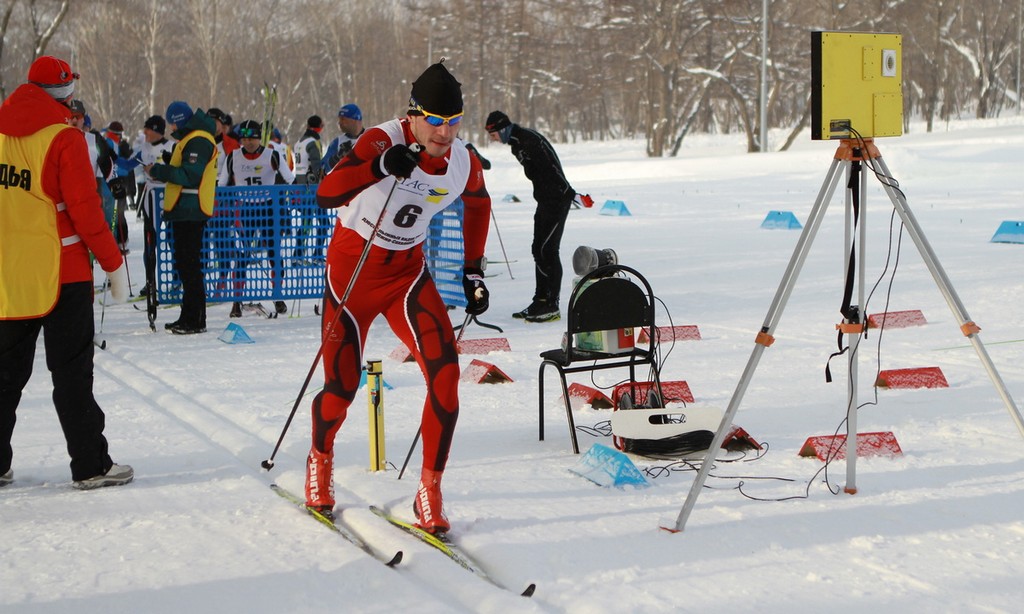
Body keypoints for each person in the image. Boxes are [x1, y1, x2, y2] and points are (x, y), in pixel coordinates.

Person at [309, 60, 491, 534]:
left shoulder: (463, 161)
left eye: (454, 122)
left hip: (406, 276)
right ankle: (320, 458)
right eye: (435, 121)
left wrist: (474, 269)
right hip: (351, 277)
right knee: (342, 388)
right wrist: (379, 166)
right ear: (413, 116)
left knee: (447, 374)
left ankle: (429, 489)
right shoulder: (380, 139)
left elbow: (479, 203)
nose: (445, 133)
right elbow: (326, 194)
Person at [0, 55, 133, 490]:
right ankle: (90, 464)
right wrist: (114, 264)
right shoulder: (65, 139)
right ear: (66, 94)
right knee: (72, 373)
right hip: (63, 272)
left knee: (4, 375)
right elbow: (86, 212)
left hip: (9, 273)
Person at [486, 110, 577, 322]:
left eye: (493, 135)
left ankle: (551, 304)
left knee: (547, 250)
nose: (493, 140)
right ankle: (540, 301)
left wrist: (568, 191)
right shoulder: (517, 142)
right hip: (545, 200)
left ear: (501, 129)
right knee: (539, 249)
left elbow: (551, 164)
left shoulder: (527, 139)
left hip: (557, 199)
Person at [145, 101, 218, 335]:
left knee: (190, 265)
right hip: (183, 210)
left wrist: (158, 171)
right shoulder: (191, 139)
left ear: (178, 121)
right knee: (186, 266)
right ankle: (188, 316)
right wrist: (169, 162)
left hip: (191, 210)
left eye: (172, 123)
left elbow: (190, 175)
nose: (171, 129)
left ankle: (196, 319)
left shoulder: (198, 139)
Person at [224, 119, 294, 317]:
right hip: (244, 210)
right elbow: (222, 183)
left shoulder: (272, 155)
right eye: (245, 138)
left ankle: (277, 295)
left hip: (268, 208)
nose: (249, 142)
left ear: (259, 137)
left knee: (274, 254)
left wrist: (296, 195)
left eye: (253, 138)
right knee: (242, 255)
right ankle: (236, 301)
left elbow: (290, 179)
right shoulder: (233, 157)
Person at [321, 103, 363, 175]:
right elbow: (322, 169)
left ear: (354, 119)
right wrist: (336, 158)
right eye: (339, 119)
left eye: (343, 119)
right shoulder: (337, 142)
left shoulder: (369, 136)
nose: (339, 122)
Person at [293, 115, 325, 184]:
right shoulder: (312, 142)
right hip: (310, 182)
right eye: (322, 125)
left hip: (298, 180)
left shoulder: (299, 142)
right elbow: (316, 163)